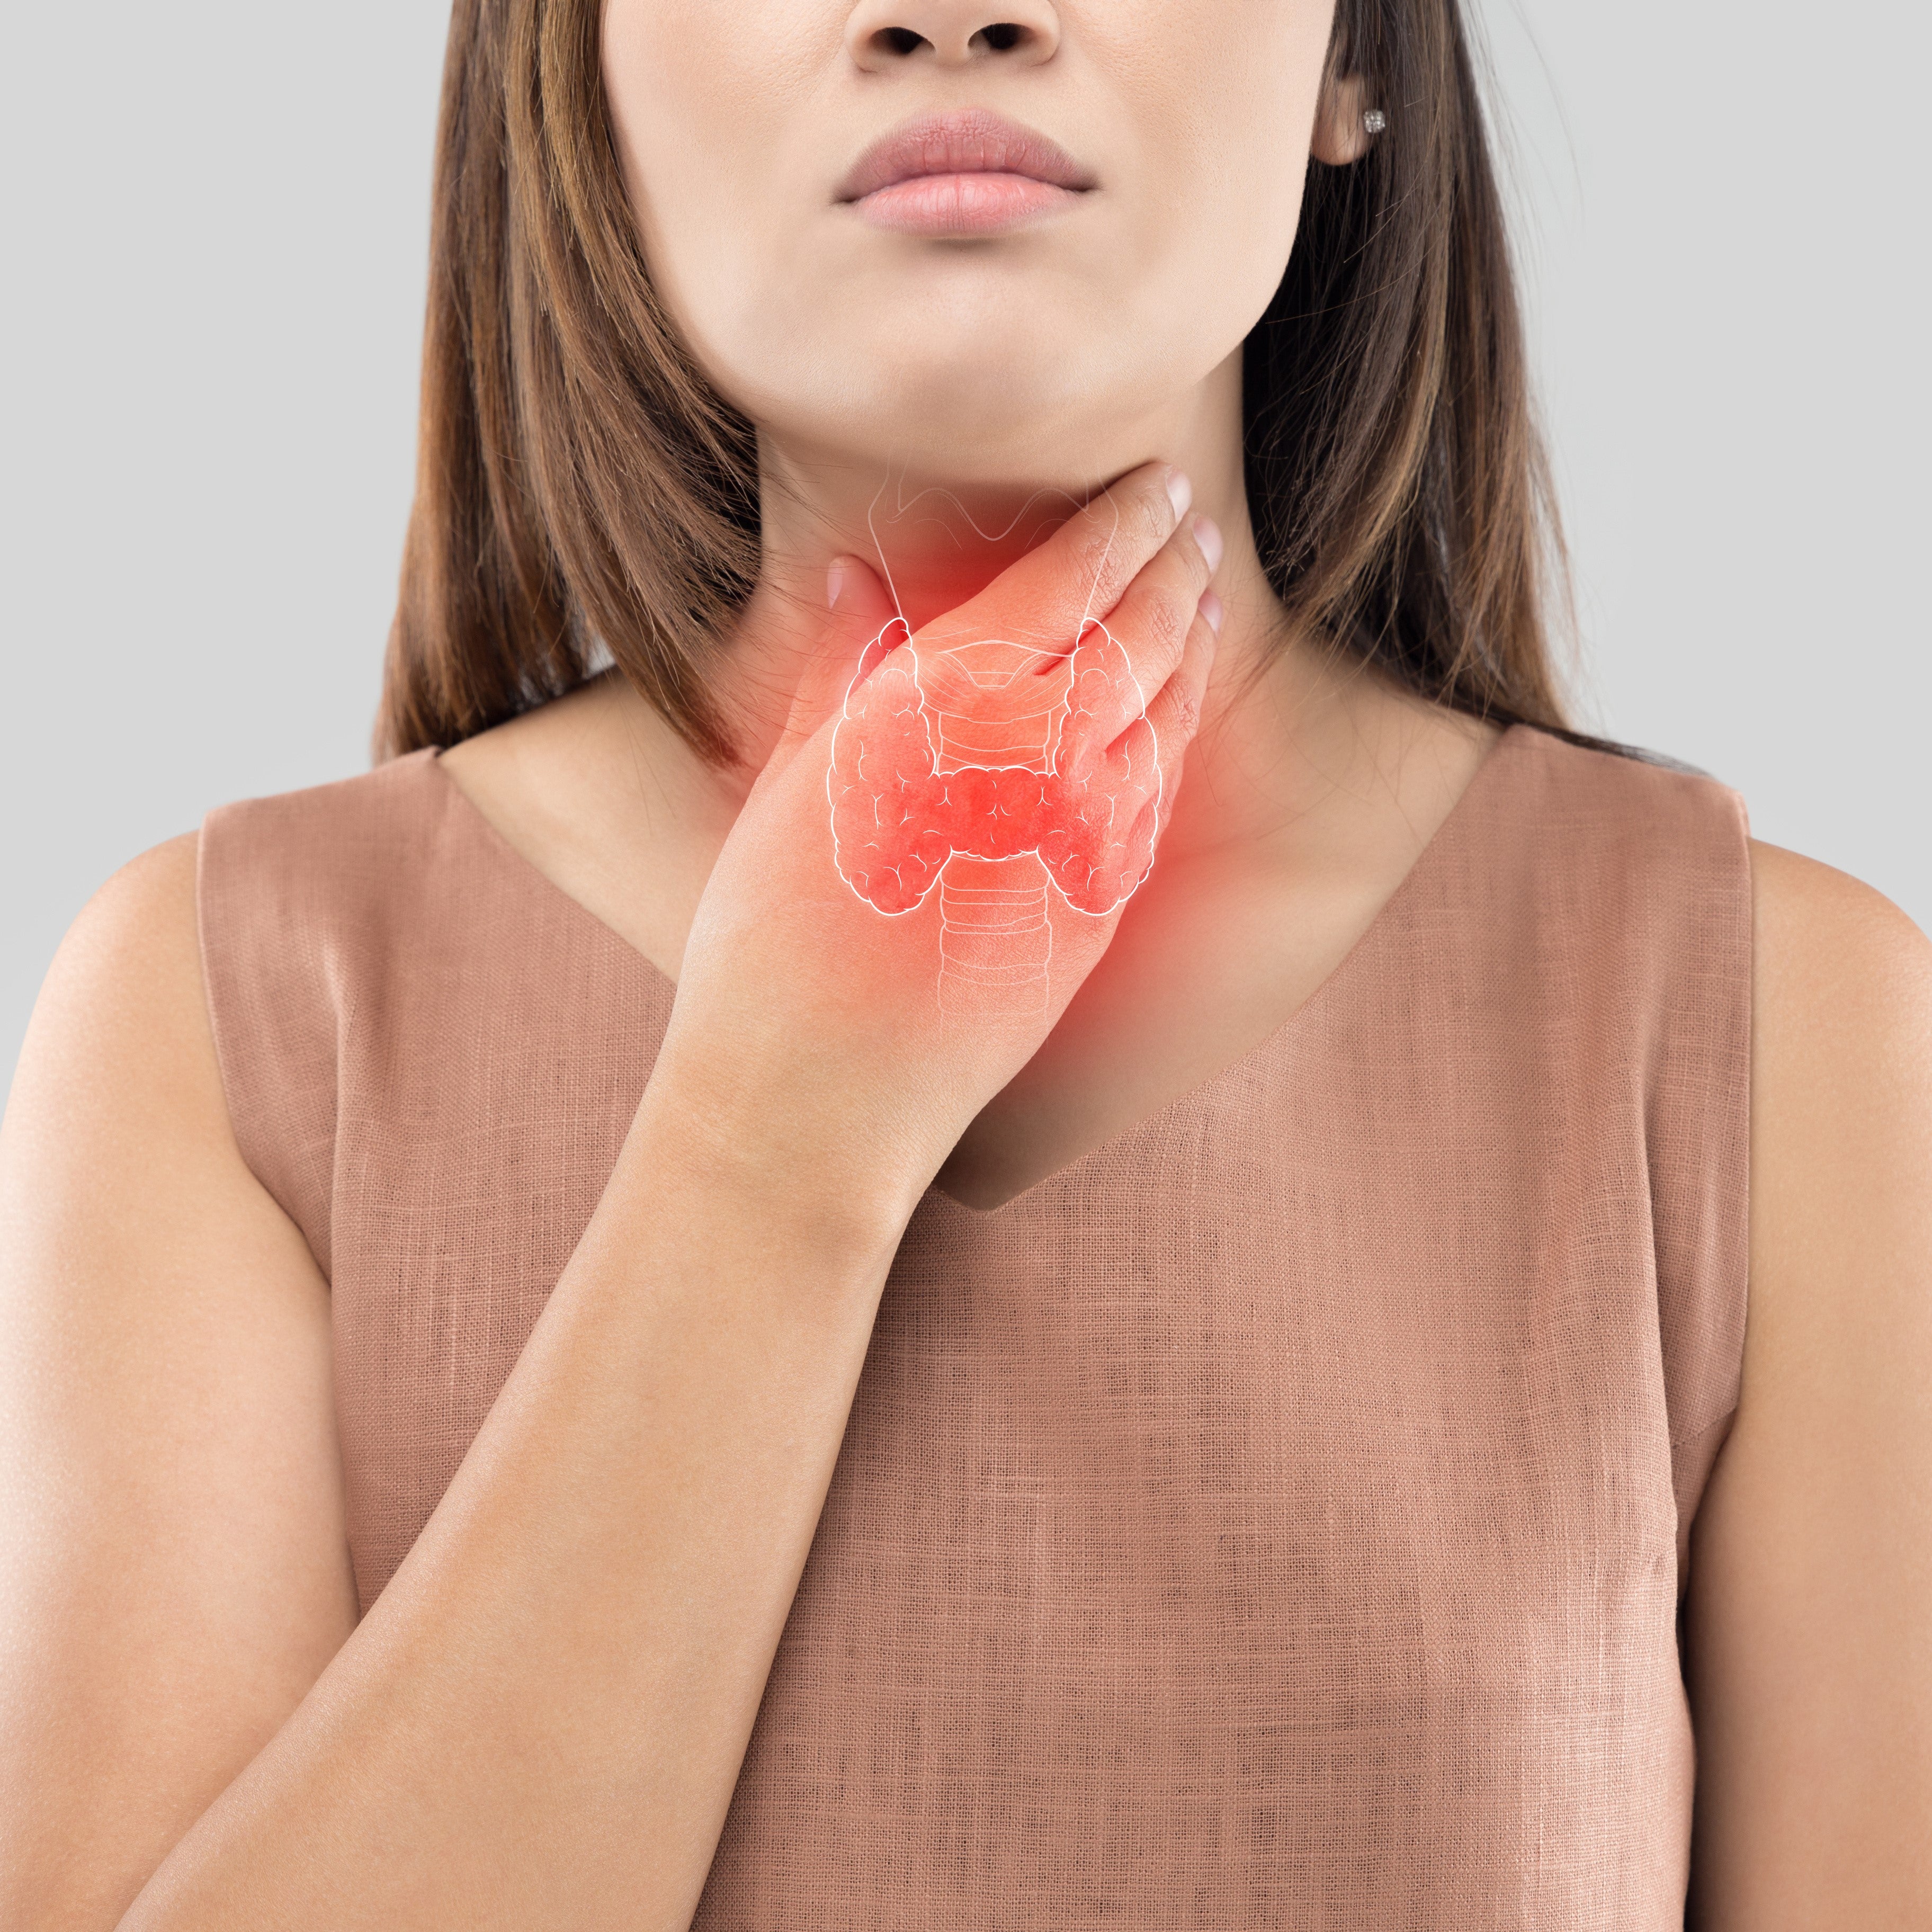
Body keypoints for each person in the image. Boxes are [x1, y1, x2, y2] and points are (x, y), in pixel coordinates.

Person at [2, 1, 1926, 1925]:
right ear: (574, 76)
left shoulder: (1782, 1039)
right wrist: (773, 1147)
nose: (950, 8)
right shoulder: (232, 1024)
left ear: (1354, 62)